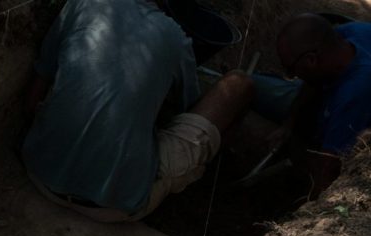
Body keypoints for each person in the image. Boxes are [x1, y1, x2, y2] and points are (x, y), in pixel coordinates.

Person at [22, 0, 253, 221]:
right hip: (111, 206)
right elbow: (186, 113)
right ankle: (215, 177)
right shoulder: (175, 37)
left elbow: (34, 98)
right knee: (239, 83)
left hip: (38, 171)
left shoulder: (83, 3)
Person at [274, 13, 371, 196]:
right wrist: (289, 122)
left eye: (290, 69)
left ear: (311, 60)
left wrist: (309, 209)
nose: (291, 75)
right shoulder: (348, 33)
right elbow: (312, 80)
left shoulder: (353, 96)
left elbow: (328, 164)